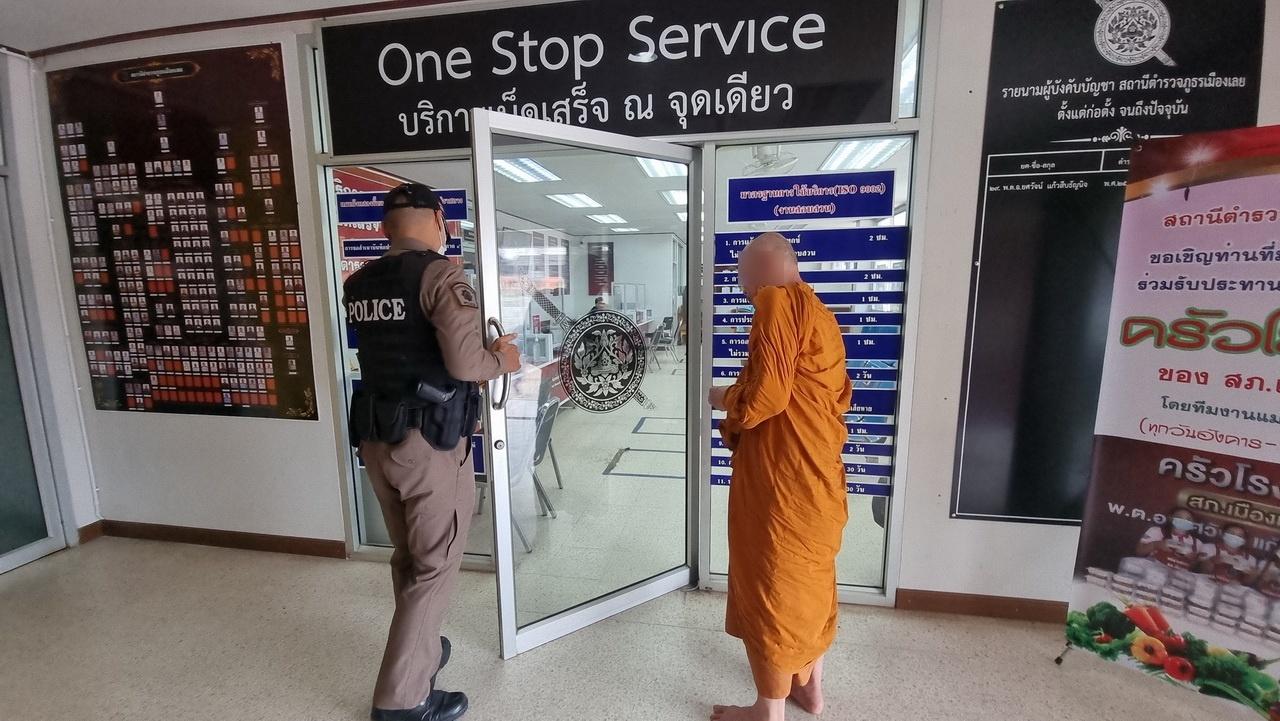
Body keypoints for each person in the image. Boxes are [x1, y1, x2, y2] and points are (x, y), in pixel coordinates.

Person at [344, 183, 520, 721]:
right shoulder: (442, 276)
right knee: (436, 566)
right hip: (429, 445)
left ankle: (418, 652)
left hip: (378, 439)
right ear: (440, 219)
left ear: (383, 227)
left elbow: (406, 350)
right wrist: (504, 360)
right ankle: (402, 701)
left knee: (409, 557)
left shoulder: (360, 282)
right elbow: (466, 364)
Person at [707, 232, 851, 721]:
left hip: (782, 482)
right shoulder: (820, 314)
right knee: (812, 582)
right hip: (819, 477)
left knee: (774, 585)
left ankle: (768, 711)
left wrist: (724, 398)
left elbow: (767, 398)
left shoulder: (775, 302)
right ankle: (810, 689)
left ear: (762, 272)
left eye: (742, 274)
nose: (742, 286)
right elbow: (834, 395)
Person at [1135, 507, 1211, 571]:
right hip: (1152, 573)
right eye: (1179, 517)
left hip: (1177, 580)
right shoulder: (1156, 531)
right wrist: (1156, 544)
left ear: (1193, 523)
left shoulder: (1197, 543)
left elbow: (1193, 569)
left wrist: (1193, 559)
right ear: (1171, 518)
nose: (1184, 521)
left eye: (1188, 519)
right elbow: (1139, 551)